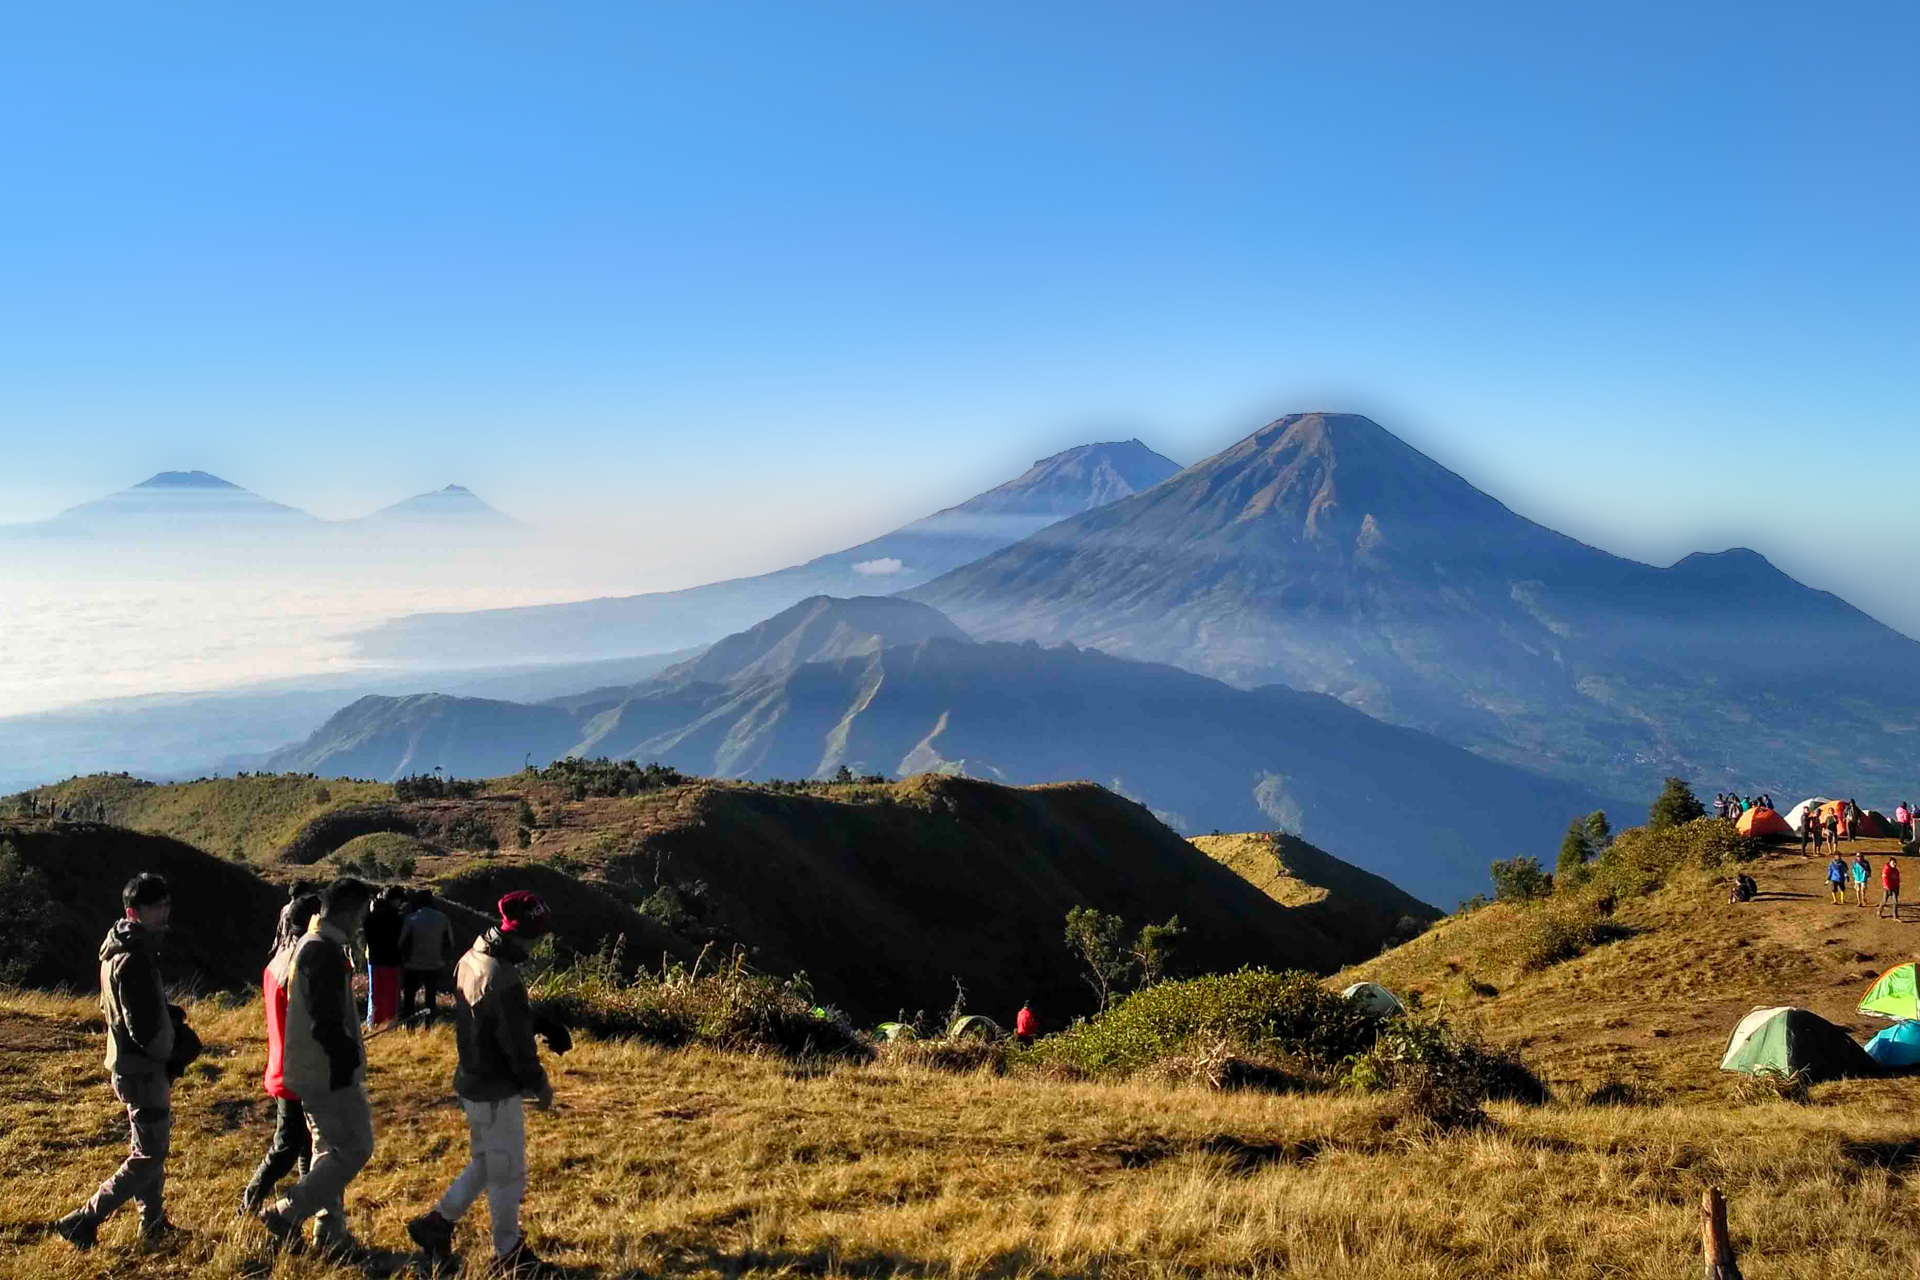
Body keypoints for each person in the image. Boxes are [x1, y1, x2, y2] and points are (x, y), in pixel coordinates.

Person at [407, 891, 557, 1274]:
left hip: (471, 1077)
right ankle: (508, 1253)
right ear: (525, 934)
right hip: (495, 1085)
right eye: (539, 934)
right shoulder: (502, 976)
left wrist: (535, 1020)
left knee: (488, 1162)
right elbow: (515, 1044)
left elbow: (493, 1015)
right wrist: (538, 1084)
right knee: (508, 1171)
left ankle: (437, 1223)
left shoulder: (472, 958)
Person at [53, 873, 191, 1251]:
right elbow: (143, 1028)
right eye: (155, 907)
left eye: (165, 904)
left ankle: (154, 1223)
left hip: (129, 1065)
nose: (164, 913)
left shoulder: (119, 950)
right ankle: (84, 1218)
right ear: (133, 911)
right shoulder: (134, 959)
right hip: (142, 1069)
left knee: (147, 1149)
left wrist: (166, 1015)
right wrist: (171, 1049)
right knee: (149, 1154)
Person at [258, 878, 378, 1258]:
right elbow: (324, 1022)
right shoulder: (321, 952)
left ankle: (330, 1233)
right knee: (356, 1148)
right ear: (346, 911)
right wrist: (346, 1061)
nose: (361, 923)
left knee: (329, 1151)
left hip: (314, 1069)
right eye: (360, 914)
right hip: (325, 1072)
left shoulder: (314, 946)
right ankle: (286, 1213)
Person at [241, 892, 321, 1216]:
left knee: (302, 1143)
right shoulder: (302, 963)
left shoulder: (277, 961)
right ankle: (249, 1206)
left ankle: (309, 1204)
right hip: (297, 1068)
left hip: (280, 1063)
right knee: (288, 1144)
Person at [398, 889, 456, 1024]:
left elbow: (401, 942)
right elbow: (450, 942)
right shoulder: (443, 918)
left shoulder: (411, 918)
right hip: (435, 963)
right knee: (430, 998)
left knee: (409, 998)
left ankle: (409, 1026)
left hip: (412, 964)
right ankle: (429, 1024)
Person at [364, 886, 407, 1030]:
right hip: (392, 959)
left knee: (375, 993)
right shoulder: (398, 917)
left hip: (374, 959)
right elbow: (401, 940)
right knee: (391, 995)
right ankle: (389, 1025)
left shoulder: (370, 916)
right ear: (395, 900)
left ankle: (373, 1023)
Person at [1881, 857, 1902, 921]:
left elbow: (1897, 879)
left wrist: (1897, 887)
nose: (1895, 864)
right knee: (1884, 901)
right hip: (1887, 888)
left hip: (1895, 888)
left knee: (1895, 902)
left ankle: (1895, 916)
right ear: (1890, 863)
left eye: (1895, 863)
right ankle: (1879, 912)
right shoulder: (1886, 870)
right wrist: (1888, 888)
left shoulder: (1896, 870)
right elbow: (1885, 880)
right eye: (1893, 863)